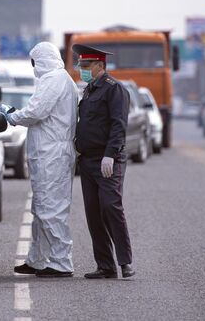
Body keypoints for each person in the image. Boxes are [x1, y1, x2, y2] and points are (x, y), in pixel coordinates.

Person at [0, 41, 79, 277]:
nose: (33, 66)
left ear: (41, 60)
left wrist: (13, 116)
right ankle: (37, 259)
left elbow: (36, 111)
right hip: (51, 154)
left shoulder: (54, 79)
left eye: (34, 61)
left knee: (50, 209)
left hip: (52, 155)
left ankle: (61, 262)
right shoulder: (60, 79)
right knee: (41, 208)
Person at [73, 44, 135, 279]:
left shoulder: (114, 89)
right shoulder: (89, 90)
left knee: (111, 206)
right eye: (80, 66)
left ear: (100, 65)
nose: (82, 70)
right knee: (93, 213)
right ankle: (105, 265)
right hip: (88, 161)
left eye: (86, 66)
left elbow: (119, 124)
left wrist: (110, 153)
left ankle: (125, 262)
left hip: (108, 159)